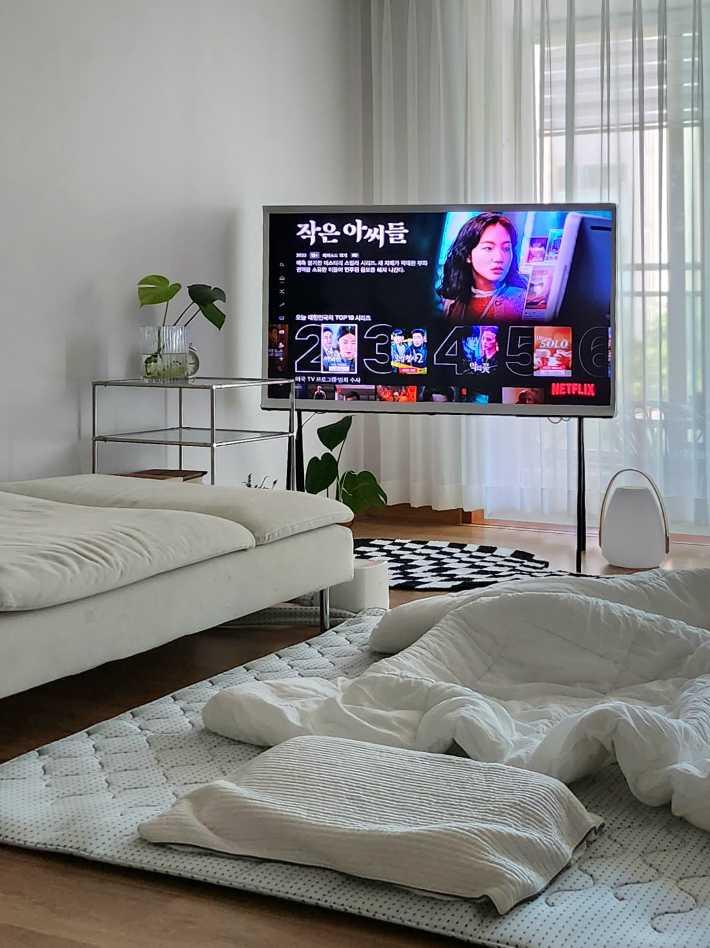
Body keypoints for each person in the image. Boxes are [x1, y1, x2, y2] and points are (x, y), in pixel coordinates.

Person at [437, 211, 528, 322]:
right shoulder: (451, 304)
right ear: (467, 255)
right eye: (488, 248)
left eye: (506, 248)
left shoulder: (524, 301)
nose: (499, 258)